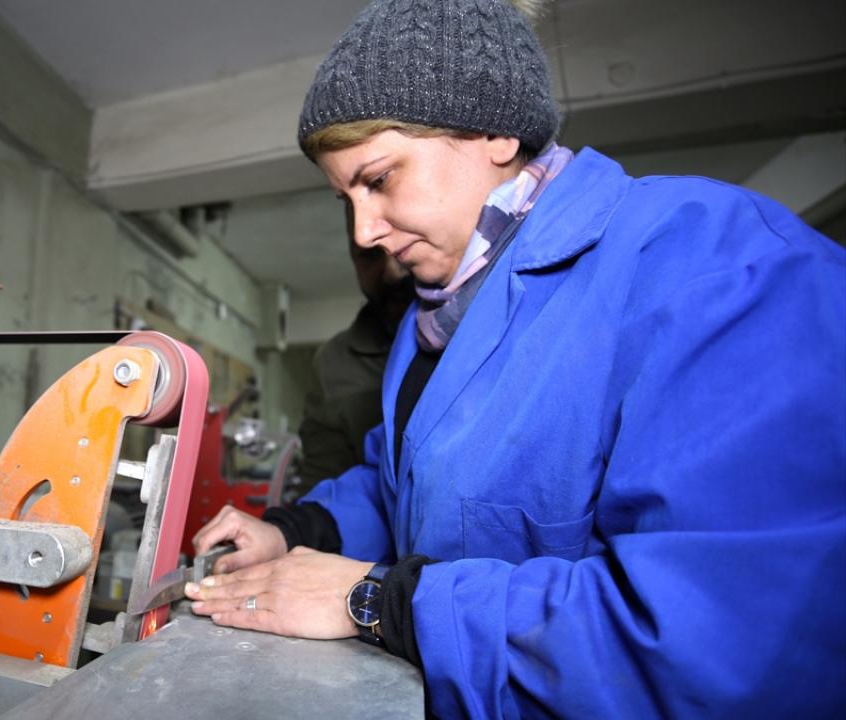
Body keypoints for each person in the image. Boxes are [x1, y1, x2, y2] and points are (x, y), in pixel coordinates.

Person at [185, 0, 846, 716]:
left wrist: (380, 601)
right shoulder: (430, 321)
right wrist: (293, 532)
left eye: (378, 179)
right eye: (344, 197)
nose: (365, 230)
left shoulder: (718, 266)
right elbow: (400, 482)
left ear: (496, 129)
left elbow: (722, 643)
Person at [298, 217, 412, 486]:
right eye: (369, 255)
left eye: (400, 246)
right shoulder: (333, 363)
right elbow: (323, 484)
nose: (391, 273)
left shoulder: (475, 327)